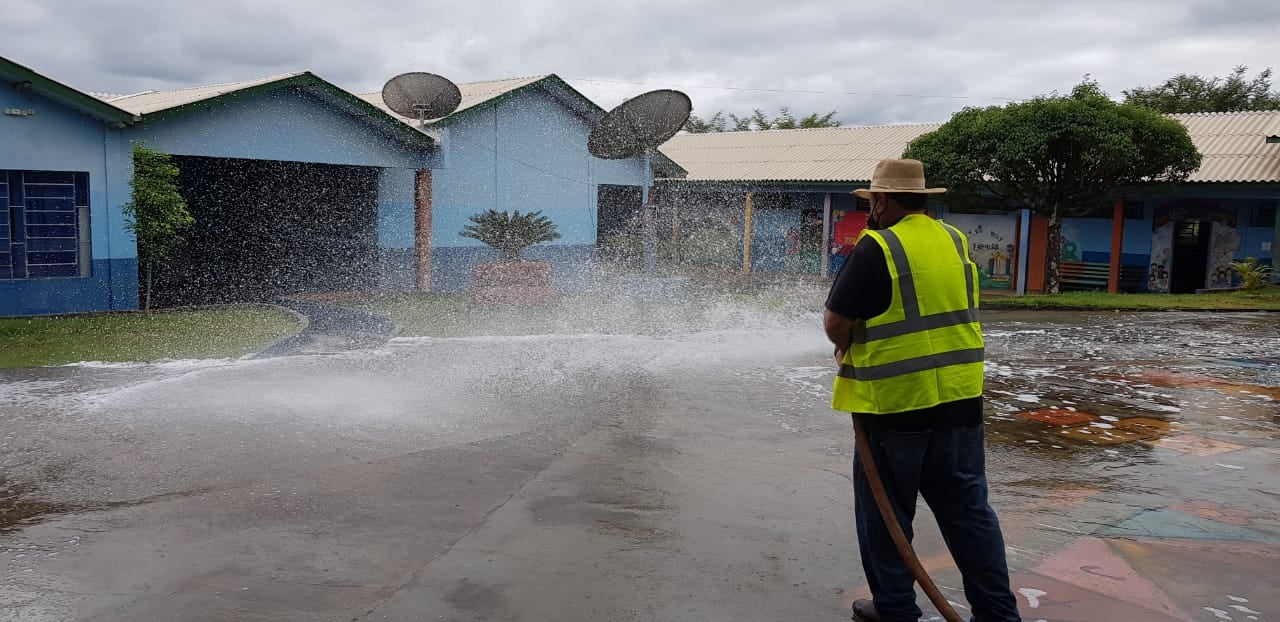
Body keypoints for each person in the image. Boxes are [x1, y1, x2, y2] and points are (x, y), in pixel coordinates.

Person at [824, 159, 1021, 622]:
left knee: (886, 515)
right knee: (970, 514)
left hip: (897, 407)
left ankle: (894, 609)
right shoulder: (953, 240)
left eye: (872, 199)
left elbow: (836, 322)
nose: (871, 207)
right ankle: (997, 613)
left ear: (882, 200)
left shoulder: (878, 246)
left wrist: (845, 346)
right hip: (961, 402)